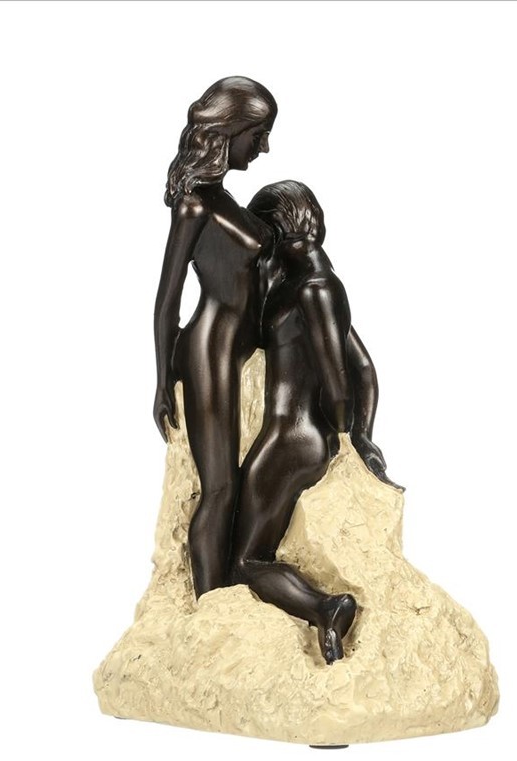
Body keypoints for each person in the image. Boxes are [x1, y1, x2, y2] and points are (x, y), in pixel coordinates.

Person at [230, 180, 399, 664]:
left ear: (275, 232)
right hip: (298, 437)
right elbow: (364, 367)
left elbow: (340, 381)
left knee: (245, 561)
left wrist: (348, 436)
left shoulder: (314, 288)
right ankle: (322, 607)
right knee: (247, 553)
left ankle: (326, 608)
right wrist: (360, 431)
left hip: (291, 439)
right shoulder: (314, 283)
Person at [154, 77, 278, 597]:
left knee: (236, 487)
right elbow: (168, 299)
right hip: (211, 353)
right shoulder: (195, 207)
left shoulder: (223, 199)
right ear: (230, 131)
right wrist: (163, 380)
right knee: (220, 487)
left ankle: (236, 585)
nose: (264, 147)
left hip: (239, 352)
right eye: (259, 135)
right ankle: (210, 603)